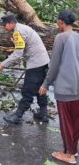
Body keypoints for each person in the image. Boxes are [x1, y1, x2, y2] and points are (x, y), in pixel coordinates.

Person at [39, 10, 79, 165]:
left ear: (61, 22)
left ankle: (69, 155)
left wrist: (45, 83)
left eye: (57, 21)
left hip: (65, 88)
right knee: (75, 122)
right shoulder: (78, 36)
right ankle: (71, 151)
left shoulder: (61, 37)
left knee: (66, 122)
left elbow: (54, 64)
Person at [0, 14, 50, 124]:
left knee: (27, 91)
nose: (4, 28)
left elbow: (18, 54)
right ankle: (43, 113)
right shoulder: (23, 28)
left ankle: (18, 115)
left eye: (5, 25)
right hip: (44, 61)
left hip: (36, 63)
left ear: (11, 23)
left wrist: (2, 65)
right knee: (40, 88)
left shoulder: (17, 32)